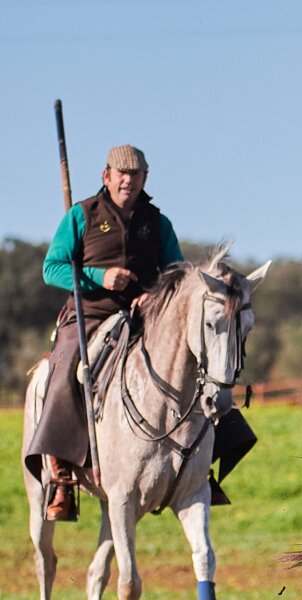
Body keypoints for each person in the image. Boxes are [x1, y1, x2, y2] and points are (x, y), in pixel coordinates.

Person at [27, 145, 256, 521]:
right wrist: (100, 277)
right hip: (89, 314)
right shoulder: (81, 215)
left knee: (196, 362)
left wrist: (152, 294)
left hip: (146, 315)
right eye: (121, 173)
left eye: (135, 175)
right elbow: (51, 269)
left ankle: (204, 468)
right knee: (65, 369)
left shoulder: (157, 222)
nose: (127, 180)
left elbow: (178, 274)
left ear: (144, 179)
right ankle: (63, 473)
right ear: (107, 176)